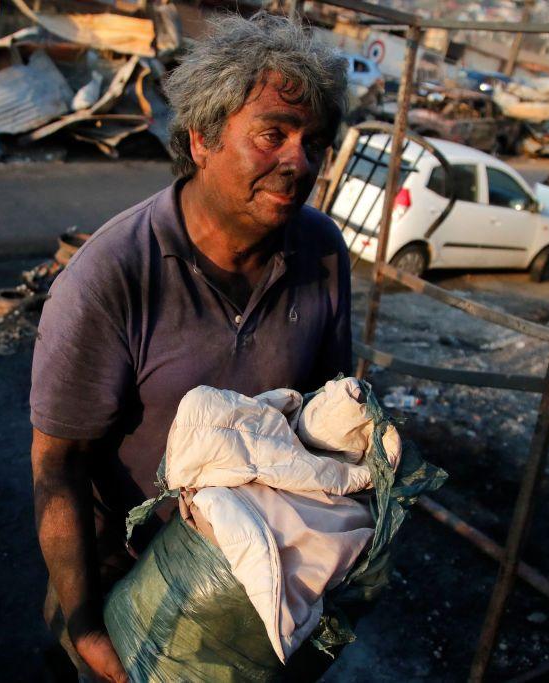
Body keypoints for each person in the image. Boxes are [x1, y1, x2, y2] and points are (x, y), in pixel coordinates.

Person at [29, 13, 351, 682]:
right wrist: (86, 623)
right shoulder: (110, 276)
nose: (299, 161)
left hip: (254, 587)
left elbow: (325, 410)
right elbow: (56, 465)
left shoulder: (321, 252)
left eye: (313, 142)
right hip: (132, 585)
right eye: (272, 134)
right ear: (202, 138)